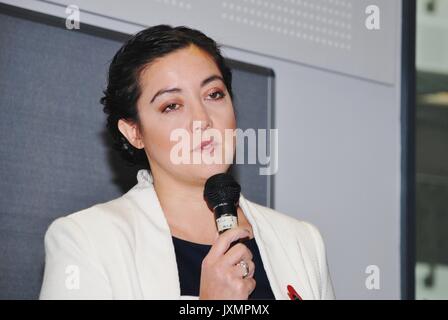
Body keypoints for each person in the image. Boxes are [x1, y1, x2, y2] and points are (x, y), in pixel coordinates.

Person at [39, 25, 335, 300]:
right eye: (172, 106)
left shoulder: (301, 241)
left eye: (214, 94)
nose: (202, 120)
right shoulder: (87, 241)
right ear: (134, 132)